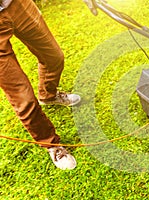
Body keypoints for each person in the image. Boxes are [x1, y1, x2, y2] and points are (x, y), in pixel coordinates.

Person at [0, 0, 97, 170]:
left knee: (53, 57)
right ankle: (51, 144)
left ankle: (48, 95)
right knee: (22, 96)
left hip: (17, 4)